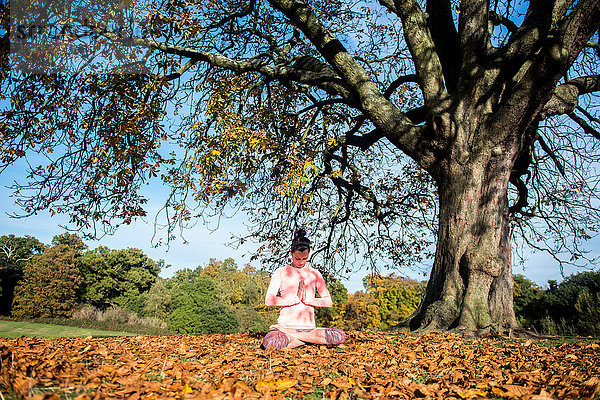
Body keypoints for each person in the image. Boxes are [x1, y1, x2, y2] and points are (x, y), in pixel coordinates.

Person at [261, 228, 346, 349]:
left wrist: (308, 300)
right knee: (271, 342)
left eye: (304, 259)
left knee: (338, 336)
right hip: (285, 327)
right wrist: (294, 300)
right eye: (297, 258)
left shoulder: (314, 273)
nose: (301, 262)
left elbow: (328, 302)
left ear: (308, 255)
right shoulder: (281, 272)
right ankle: (304, 341)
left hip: (309, 329)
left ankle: (298, 340)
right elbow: (269, 300)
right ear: (291, 253)